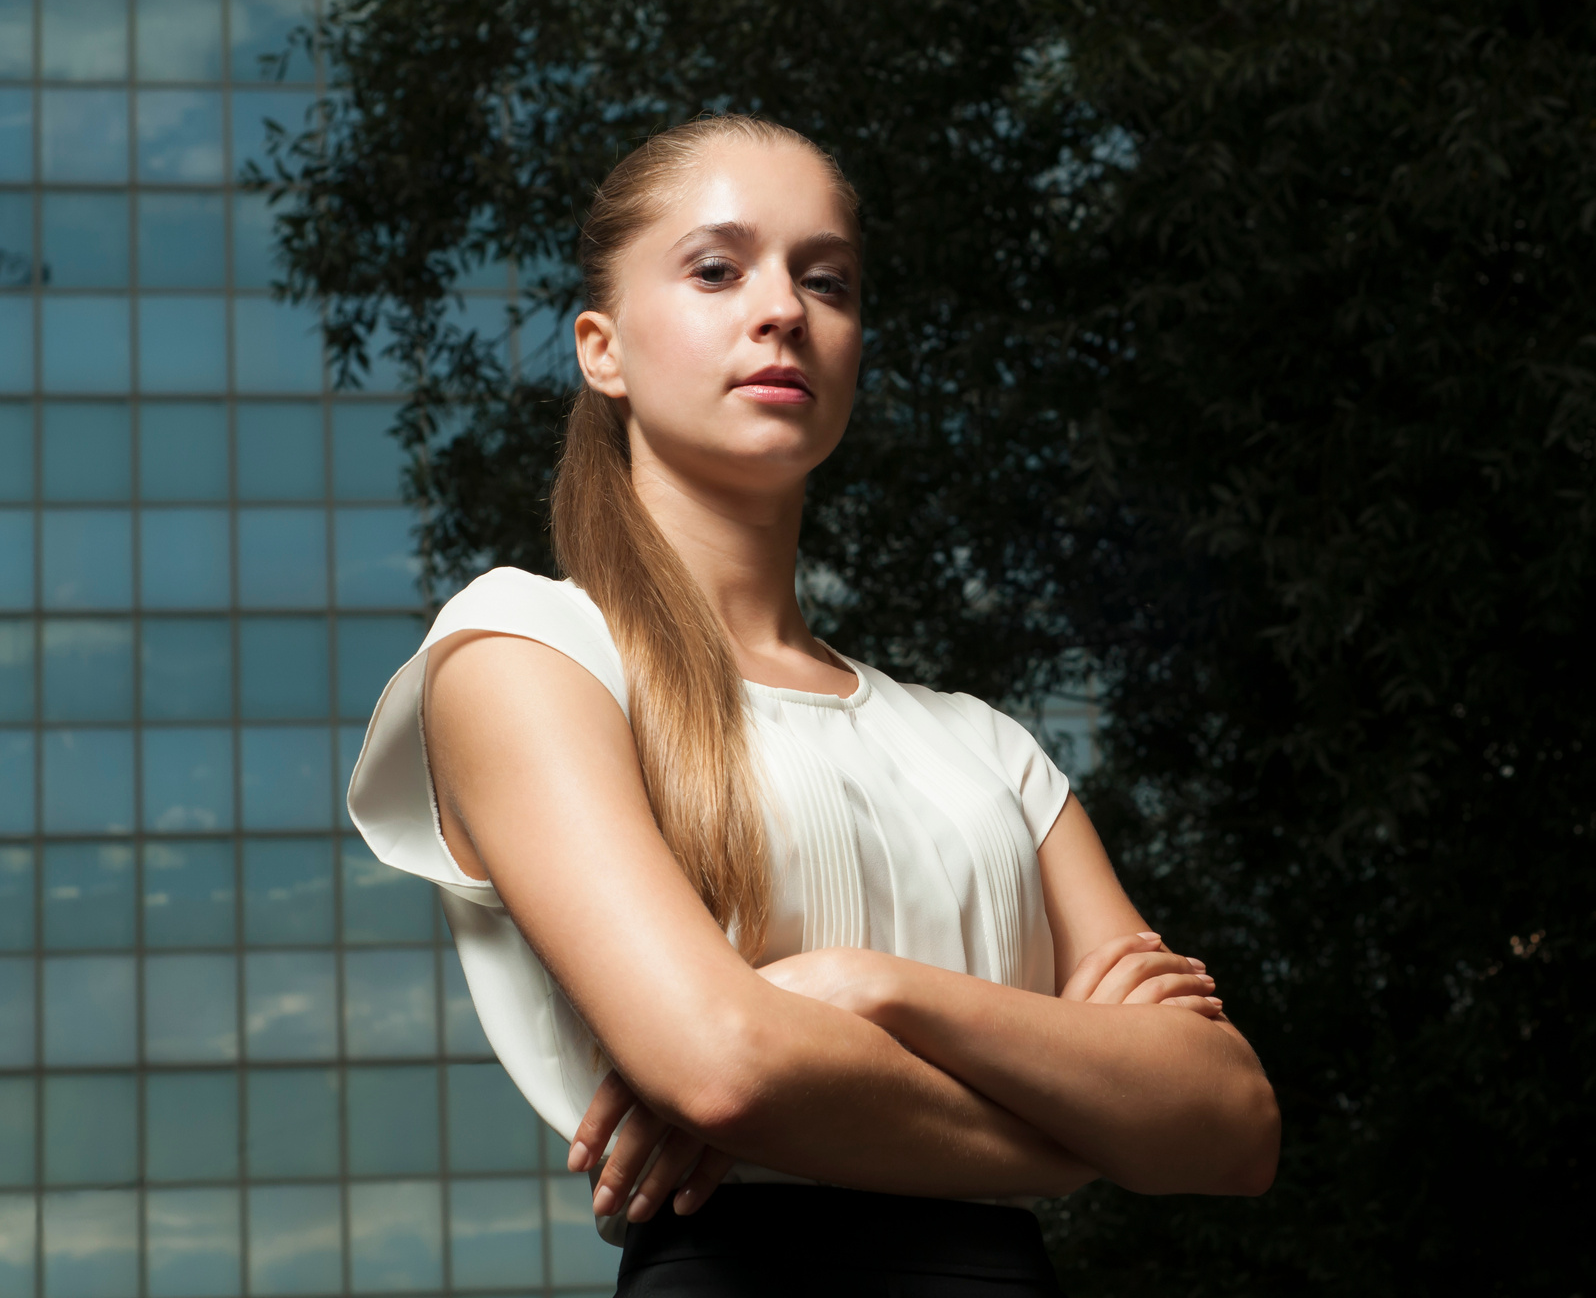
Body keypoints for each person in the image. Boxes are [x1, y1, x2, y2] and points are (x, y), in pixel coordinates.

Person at [346, 113, 1280, 1296]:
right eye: (716, 268)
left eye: (824, 279)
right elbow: (724, 1062)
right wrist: (1082, 1132)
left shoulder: (979, 745)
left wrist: (861, 988)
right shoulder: (527, 648)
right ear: (603, 348)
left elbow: (1232, 1123)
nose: (782, 307)